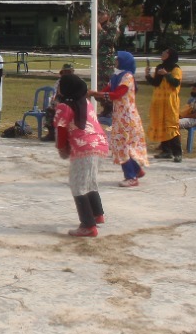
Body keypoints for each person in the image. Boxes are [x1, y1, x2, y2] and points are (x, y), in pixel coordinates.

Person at [54, 72, 109, 237]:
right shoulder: (84, 102)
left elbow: (61, 131)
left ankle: (88, 225)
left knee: (77, 185)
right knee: (90, 181)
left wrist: (62, 149)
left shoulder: (63, 107)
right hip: (100, 146)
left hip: (84, 149)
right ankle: (97, 214)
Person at [104, 51, 148, 187]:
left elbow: (118, 94)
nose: (116, 62)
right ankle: (136, 170)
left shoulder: (128, 76)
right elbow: (108, 89)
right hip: (119, 115)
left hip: (127, 117)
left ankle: (131, 177)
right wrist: (96, 93)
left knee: (122, 145)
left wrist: (100, 94)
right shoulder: (117, 76)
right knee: (120, 144)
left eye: (118, 60)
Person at [147, 47, 184, 161]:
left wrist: (166, 74)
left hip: (169, 101)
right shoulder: (159, 67)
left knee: (171, 125)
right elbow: (156, 83)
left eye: (165, 52)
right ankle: (166, 150)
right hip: (159, 101)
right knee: (161, 124)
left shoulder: (176, 68)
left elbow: (175, 83)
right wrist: (148, 75)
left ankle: (177, 153)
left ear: (170, 55)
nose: (162, 53)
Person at [95, 11, 117, 89]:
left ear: (108, 16)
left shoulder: (112, 27)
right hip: (98, 59)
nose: (99, 16)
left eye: (102, 14)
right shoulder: (96, 27)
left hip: (107, 60)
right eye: (98, 14)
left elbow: (111, 40)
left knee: (108, 82)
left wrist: (101, 30)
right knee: (98, 83)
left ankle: (108, 100)